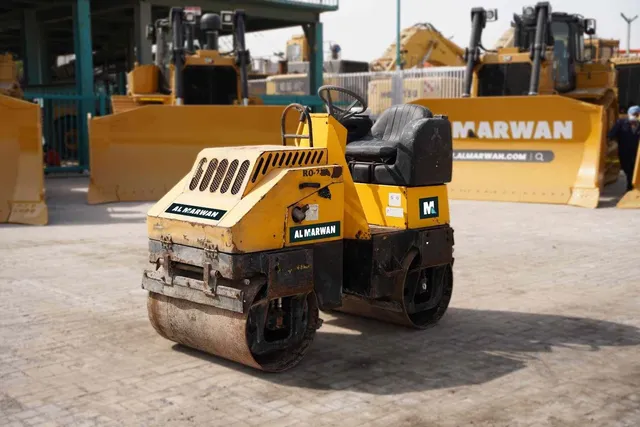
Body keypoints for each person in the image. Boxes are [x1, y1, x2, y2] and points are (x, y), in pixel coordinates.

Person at [608, 105, 640, 191]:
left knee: (634, 171)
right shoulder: (621, 123)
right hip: (624, 152)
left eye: (637, 114)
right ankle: (631, 185)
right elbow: (611, 134)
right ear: (629, 114)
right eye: (634, 114)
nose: (636, 116)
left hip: (637, 153)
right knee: (627, 169)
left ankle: (631, 187)